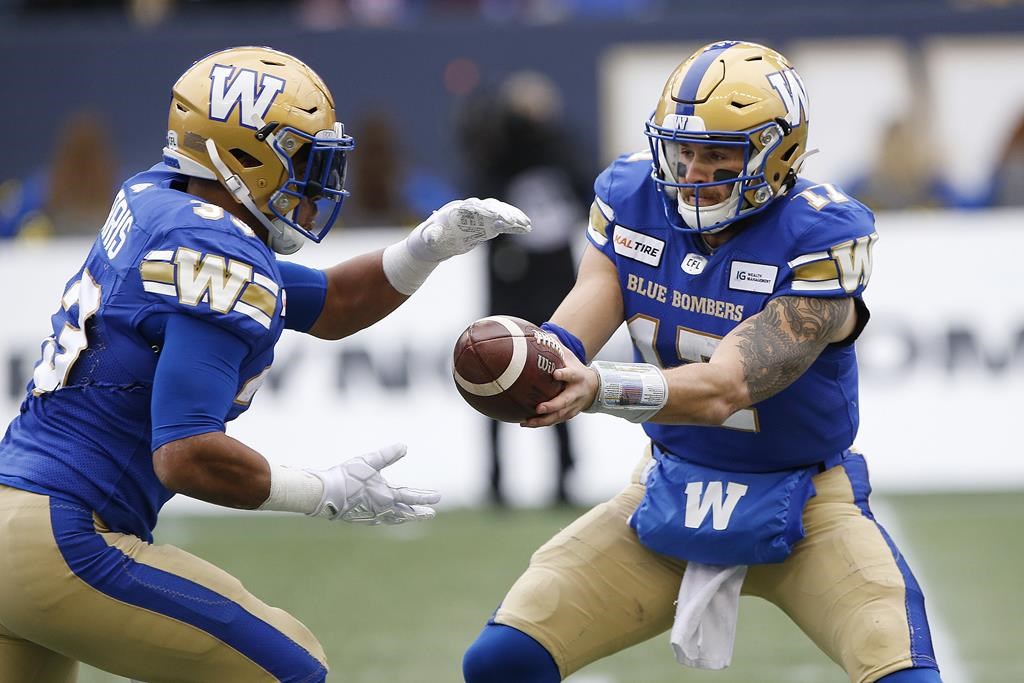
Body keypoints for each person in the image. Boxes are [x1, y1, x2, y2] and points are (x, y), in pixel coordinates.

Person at [0, 46, 529, 683]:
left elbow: (331, 304)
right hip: (64, 536)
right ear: (243, 154)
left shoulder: (159, 200)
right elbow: (186, 452)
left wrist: (428, 246)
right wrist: (323, 492)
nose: (317, 182)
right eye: (304, 158)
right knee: (292, 667)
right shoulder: (216, 250)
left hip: (17, 515)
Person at [462, 40, 942, 683]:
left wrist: (600, 386)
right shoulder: (632, 194)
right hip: (670, 486)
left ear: (781, 153)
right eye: (681, 150)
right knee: (502, 661)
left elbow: (727, 386)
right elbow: (596, 292)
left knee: (902, 673)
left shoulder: (822, 235)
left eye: (717, 154)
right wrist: (543, 355)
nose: (691, 172)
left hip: (806, 504)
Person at [456, 72, 590, 506]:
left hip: (552, 276)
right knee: (490, 366)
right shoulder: (498, 147)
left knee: (559, 371)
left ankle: (564, 476)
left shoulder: (559, 148)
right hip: (510, 273)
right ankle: (496, 480)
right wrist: (509, 117)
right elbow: (477, 179)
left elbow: (583, 184)